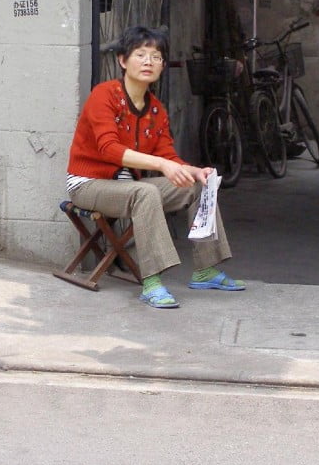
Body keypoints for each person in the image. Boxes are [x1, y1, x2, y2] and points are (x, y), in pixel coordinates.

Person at [65, 25, 245, 308]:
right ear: (123, 61)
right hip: (89, 184)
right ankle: (151, 281)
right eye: (140, 54)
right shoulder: (105, 95)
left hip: (128, 187)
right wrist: (161, 164)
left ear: (163, 65)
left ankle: (205, 269)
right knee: (145, 193)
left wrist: (193, 171)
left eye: (156, 56)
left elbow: (167, 154)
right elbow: (108, 149)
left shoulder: (156, 110)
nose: (148, 61)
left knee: (197, 186)